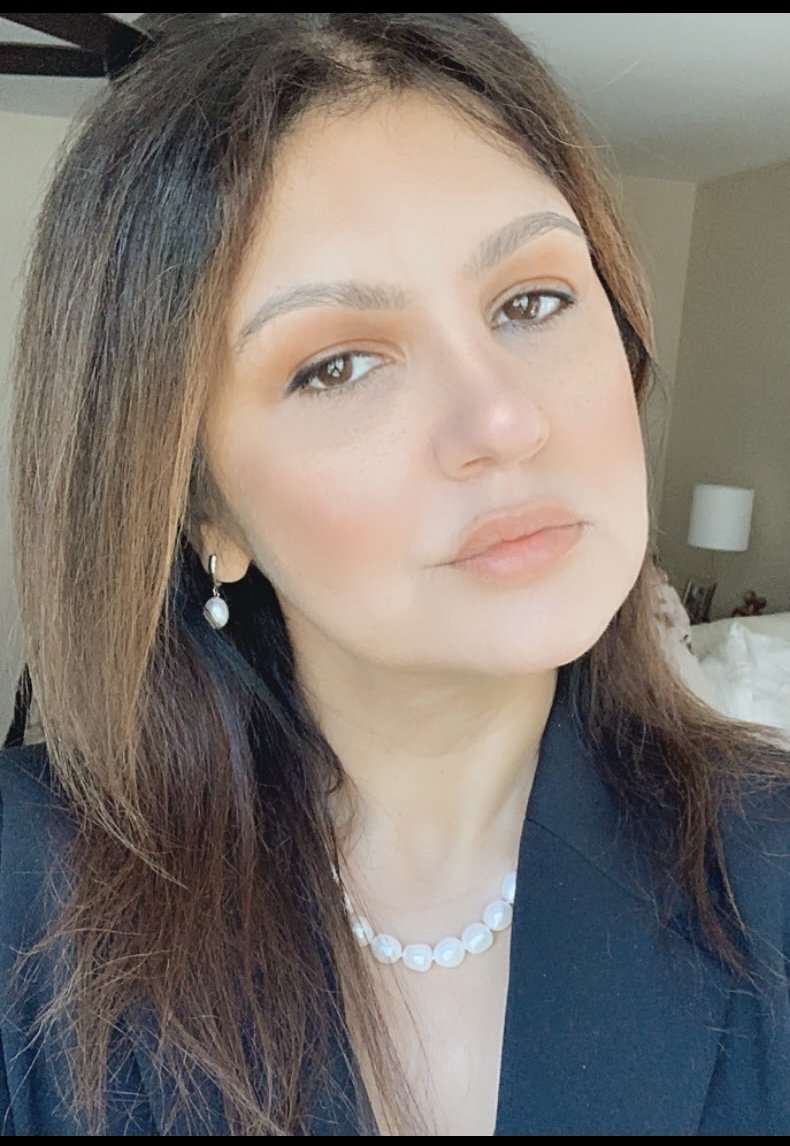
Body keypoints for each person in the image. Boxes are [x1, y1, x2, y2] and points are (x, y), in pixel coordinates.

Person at [2, 12, 790, 1137]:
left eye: (532, 301)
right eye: (337, 365)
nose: (504, 419)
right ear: (201, 509)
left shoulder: (771, 869)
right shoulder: (29, 896)